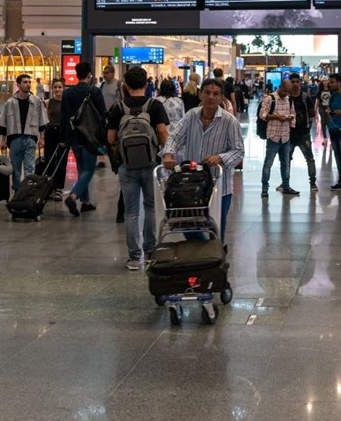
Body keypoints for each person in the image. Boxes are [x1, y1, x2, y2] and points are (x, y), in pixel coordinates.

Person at [161, 79, 244, 241]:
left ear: (221, 98)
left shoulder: (229, 121)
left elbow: (239, 151)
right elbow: (175, 138)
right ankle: (202, 255)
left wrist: (220, 157)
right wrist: (168, 154)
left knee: (216, 228)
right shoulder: (191, 116)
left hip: (219, 186)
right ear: (200, 94)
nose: (211, 97)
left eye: (216, 94)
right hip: (190, 183)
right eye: (207, 92)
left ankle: (215, 257)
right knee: (187, 223)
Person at [106, 66, 170, 270]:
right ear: (146, 84)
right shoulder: (154, 105)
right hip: (151, 164)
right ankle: (150, 252)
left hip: (127, 165)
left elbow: (110, 138)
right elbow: (162, 132)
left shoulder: (118, 108)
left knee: (131, 211)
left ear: (125, 85)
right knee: (151, 208)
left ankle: (134, 257)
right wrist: (167, 152)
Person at [59, 61, 106, 217]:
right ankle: (73, 196)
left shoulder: (68, 93)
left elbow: (64, 117)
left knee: (81, 169)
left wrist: (63, 137)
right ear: (89, 75)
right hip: (89, 137)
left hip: (74, 137)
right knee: (89, 169)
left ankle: (85, 202)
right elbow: (102, 114)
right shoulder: (95, 92)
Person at [0, 74, 48, 193]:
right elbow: (4, 123)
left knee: (30, 167)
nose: (28, 84)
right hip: (14, 139)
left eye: (29, 82)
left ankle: (27, 192)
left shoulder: (36, 102)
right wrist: (3, 140)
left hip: (30, 138)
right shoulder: (10, 103)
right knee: (15, 168)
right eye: (25, 82)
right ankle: (17, 191)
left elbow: (42, 121)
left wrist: (42, 138)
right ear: (18, 85)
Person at [259, 77, 298, 200]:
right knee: (268, 163)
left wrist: (290, 119)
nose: (286, 94)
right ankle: (265, 188)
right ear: (280, 87)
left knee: (285, 163)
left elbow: (293, 114)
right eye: (285, 91)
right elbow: (262, 114)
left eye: (288, 92)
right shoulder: (270, 99)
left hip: (285, 136)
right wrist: (276, 117)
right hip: (273, 136)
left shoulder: (289, 100)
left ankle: (286, 186)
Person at [286, 73, 318, 190]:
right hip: (289, 134)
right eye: (292, 82)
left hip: (303, 133)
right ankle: (285, 182)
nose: (295, 84)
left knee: (309, 158)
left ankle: (312, 182)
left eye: (297, 81)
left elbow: (312, 112)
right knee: (286, 159)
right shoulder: (286, 98)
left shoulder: (305, 97)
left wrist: (308, 125)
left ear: (300, 83)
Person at [43, 78, 67, 194]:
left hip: (63, 132)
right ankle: (49, 186)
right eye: (55, 87)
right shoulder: (48, 103)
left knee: (62, 161)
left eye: (60, 87)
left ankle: (59, 187)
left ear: (64, 88)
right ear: (52, 89)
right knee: (49, 159)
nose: (57, 89)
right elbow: (46, 119)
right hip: (50, 131)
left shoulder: (68, 102)